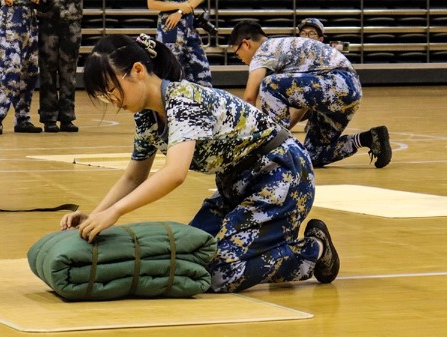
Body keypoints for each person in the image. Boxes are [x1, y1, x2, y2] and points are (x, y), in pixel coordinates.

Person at [59, 34, 340, 292]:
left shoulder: (183, 100)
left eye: (111, 89)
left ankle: (313, 250)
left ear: (137, 71)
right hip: (237, 184)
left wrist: (116, 212)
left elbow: (174, 174)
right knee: (187, 257)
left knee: (219, 274)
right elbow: (133, 177)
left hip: (283, 176)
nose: (111, 100)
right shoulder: (145, 116)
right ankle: (264, 240)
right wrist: (96, 214)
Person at [231, 20, 392, 168]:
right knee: (312, 154)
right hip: (348, 90)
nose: (242, 60)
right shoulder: (284, 49)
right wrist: (282, 134)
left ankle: (275, 151)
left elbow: (249, 97)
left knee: (269, 84)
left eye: (238, 54)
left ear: (246, 44)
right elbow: (303, 101)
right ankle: (369, 138)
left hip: (337, 82)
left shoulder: (264, 50)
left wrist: (249, 140)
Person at [0, 0, 43, 135]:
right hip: (12, 14)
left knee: (30, 71)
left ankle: (22, 118)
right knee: (9, 69)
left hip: (30, 15)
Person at [36, 0, 82, 133]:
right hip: (48, 18)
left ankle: (67, 117)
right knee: (47, 72)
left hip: (71, 19)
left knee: (69, 73)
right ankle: (49, 117)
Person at [147, 0, 212, 87]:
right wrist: (180, 6)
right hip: (169, 28)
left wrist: (180, 11)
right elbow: (152, 4)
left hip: (190, 28)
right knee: (171, 77)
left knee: (203, 77)